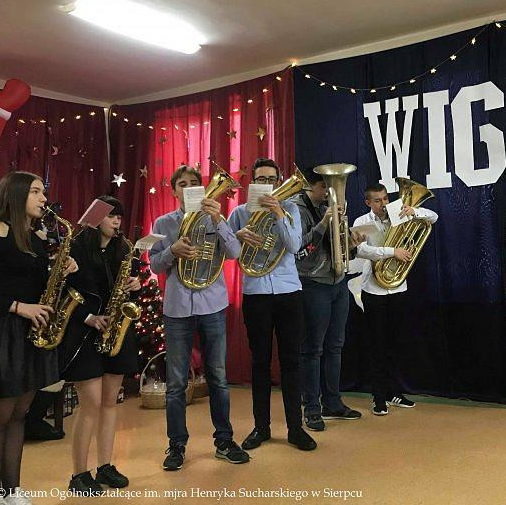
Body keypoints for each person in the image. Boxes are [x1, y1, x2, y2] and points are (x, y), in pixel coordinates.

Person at [149, 165, 248, 471]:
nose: (189, 187)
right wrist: (172, 251)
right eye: (183, 183)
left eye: (195, 183)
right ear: (174, 191)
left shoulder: (215, 217)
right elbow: (154, 264)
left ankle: (224, 440)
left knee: (218, 377)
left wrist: (219, 221)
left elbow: (234, 253)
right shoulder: (163, 223)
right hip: (177, 308)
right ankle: (176, 444)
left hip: (212, 305)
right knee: (176, 383)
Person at [0, 171, 77, 505]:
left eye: (43, 191)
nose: (43, 198)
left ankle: (12, 491)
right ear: (15, 194)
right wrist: (18, 307)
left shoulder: (35, 239)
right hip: (2, 332)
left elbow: (41, 285)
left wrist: (61, 267)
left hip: (30, 334)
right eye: (35, 191)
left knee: (20, 415)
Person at [227, 158, 316, 452]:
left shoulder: (290, 209)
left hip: (289, 292)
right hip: (256, 294)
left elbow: (293, 246)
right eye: (261, 180)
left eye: (271, 179)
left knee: (291, 361)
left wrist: (278, 213)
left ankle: (295, 428)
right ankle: (261, 427)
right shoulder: (240, 213)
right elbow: (229, 252)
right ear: (252, 182)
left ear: (279, 182)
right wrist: (237, 236)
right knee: (260, 363)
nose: (266, 184)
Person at [60, 196, 141, 493]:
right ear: (95, 218)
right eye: (111, 216)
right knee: (91, 404)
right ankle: (79, 474)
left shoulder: (123, 249)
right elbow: (65, 291)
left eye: (119, 216)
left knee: (110, 402)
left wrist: (135, 286)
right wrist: (89, 317)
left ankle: (105, 465)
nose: (117, 221)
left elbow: (126, 289)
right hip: (84, 332)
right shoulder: (76, 248)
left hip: (115, 331)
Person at [352, 183, 438, 416]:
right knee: (377, 346)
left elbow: (433, 217)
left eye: (385, 199)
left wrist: (414, 211)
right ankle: (378, 397)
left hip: (398, 287)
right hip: (373, 290)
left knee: (396, 344)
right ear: (368, 202)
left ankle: (394, 392)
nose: (383, 204)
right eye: (377, 200)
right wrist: (392, 252)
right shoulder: (362, 222)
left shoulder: (397, 214)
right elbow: (360, 251)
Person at [291, 168, 362, 432]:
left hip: (337, 282)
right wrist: (323, 223)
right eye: (325, 187)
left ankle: (332, 402)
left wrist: (351, 244)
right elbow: (301, 251)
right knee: (312, 349)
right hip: (313, 284)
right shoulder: (297, 210)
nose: (331, 193)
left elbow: (341, 250)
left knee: (335, 346)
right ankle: (311, 408)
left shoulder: (327, 207)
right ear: (312, 186)